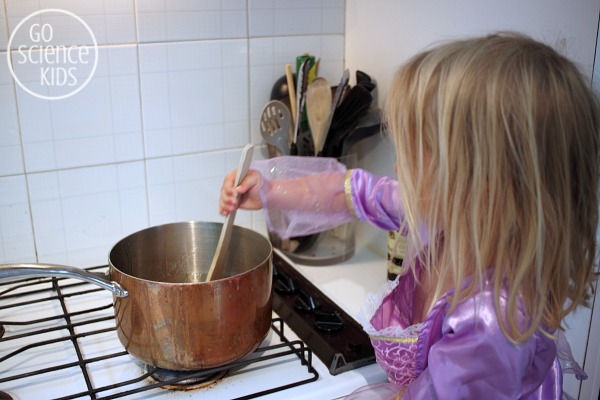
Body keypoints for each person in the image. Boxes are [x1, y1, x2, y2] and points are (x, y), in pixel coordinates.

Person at [219, 32, 599, 399]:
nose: (399, 166)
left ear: (482, 185)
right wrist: (268, 190)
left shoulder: (492, 322)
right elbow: (357, 192)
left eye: (416, 154)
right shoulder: (457, 217)